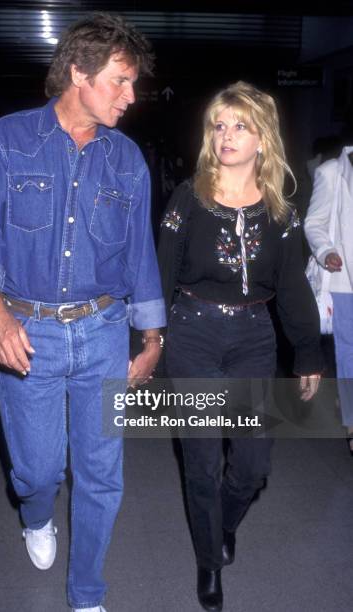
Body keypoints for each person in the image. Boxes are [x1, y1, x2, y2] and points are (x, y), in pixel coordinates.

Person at [0, 13, 165, 612]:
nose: (131, 97)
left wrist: (151, 337)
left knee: (102, 475)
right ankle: (35, 512)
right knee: (38, 471)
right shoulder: (9, 139)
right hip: (28, 332)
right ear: (78, 72)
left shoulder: (127, 159)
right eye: (120, 82)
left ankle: (86, 595)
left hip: (102, 332)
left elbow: (140, 255)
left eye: (134, 85)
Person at [157, 81, 322, 611]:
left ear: (262, 139)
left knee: (252, 465)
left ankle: (222, 523)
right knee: (202, 460)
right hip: (194, 332)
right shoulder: (190, 197)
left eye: (240, 126)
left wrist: (307, 350)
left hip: (254, 338)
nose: (226, 136)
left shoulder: (281, 212)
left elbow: (293, 286)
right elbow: (160, 271)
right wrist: (149, 337)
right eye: (219, 125)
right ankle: (210, 561)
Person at [304, 145, 353, 456]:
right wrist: (325, 252)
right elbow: (314, 223)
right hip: (344, 280)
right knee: (349, 352)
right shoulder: (332, 172)